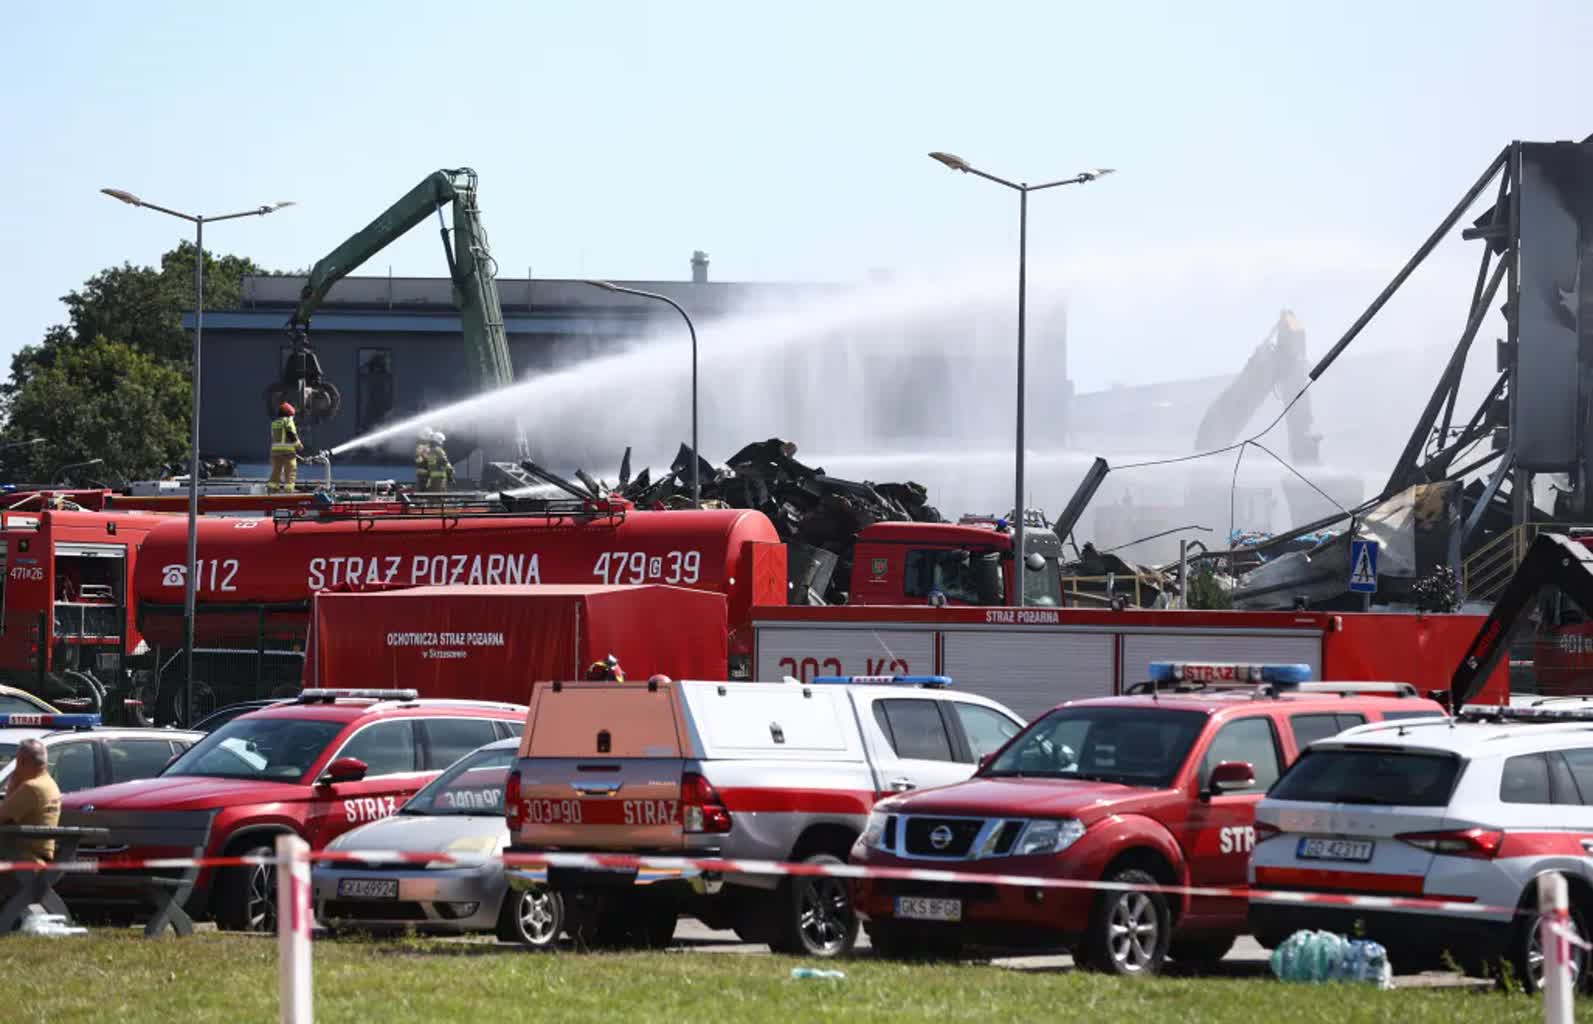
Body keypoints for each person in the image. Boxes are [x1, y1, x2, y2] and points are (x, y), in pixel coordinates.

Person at [0, 739, 62, 863]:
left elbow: (1, 817)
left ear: (22, 761)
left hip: (22, 855)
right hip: (39, 854)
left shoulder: (31, 788)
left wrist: (12, 784)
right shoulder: (50, 783)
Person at [268, 403, 303, 494]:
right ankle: (289, 490)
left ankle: (272, 489)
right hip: (287, 452)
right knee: (290, 471)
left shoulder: (274, 423)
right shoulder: (288, 421)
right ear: (289, 414)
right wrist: (298, 445)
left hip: (275, 452)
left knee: (276, 471)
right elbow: (290, 434)